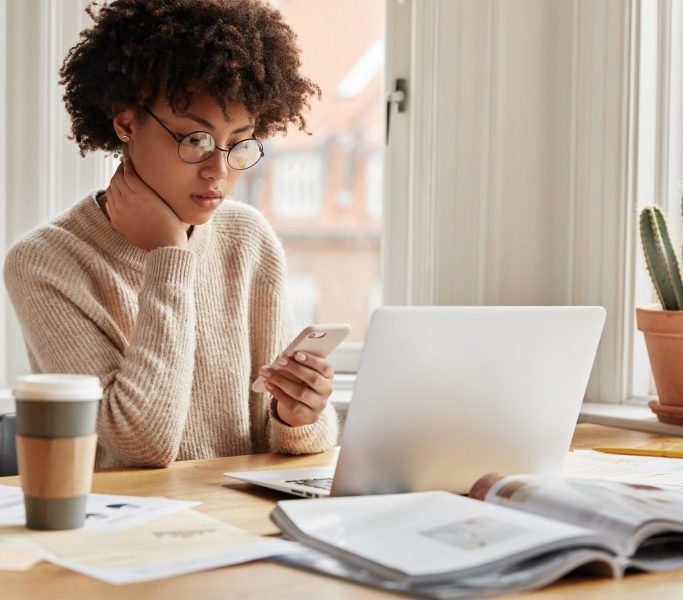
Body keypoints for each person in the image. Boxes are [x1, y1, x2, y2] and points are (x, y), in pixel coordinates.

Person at [2, 0, 339, 468]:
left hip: (241, 526)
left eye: (239, 142)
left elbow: (284, 443)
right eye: (194, 139)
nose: (218, 171)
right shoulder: (45, 262)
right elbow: (142, 444)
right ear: (126, 122)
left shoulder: (247, 240)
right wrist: (170, 256)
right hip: (131, 536)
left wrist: (298, 415)